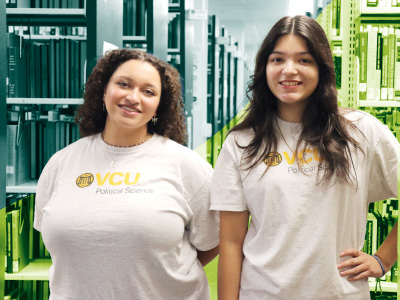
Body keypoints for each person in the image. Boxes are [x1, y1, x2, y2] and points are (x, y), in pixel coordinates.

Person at [210, 15, 398, 300]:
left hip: (340, 294)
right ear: (264, 68)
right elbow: (231, 243)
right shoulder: (241, 142)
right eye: (277, 60)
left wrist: (384, 259)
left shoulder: (361, 132)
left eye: (304, 60)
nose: (289, 70)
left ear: (322, 69)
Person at [34, 49, 219, 300]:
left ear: (158, 106)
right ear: (103, 90)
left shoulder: (186, 165)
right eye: (124, 84)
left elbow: (214, 241)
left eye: (148, 91)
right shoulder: (61, 163)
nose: (133, 97)